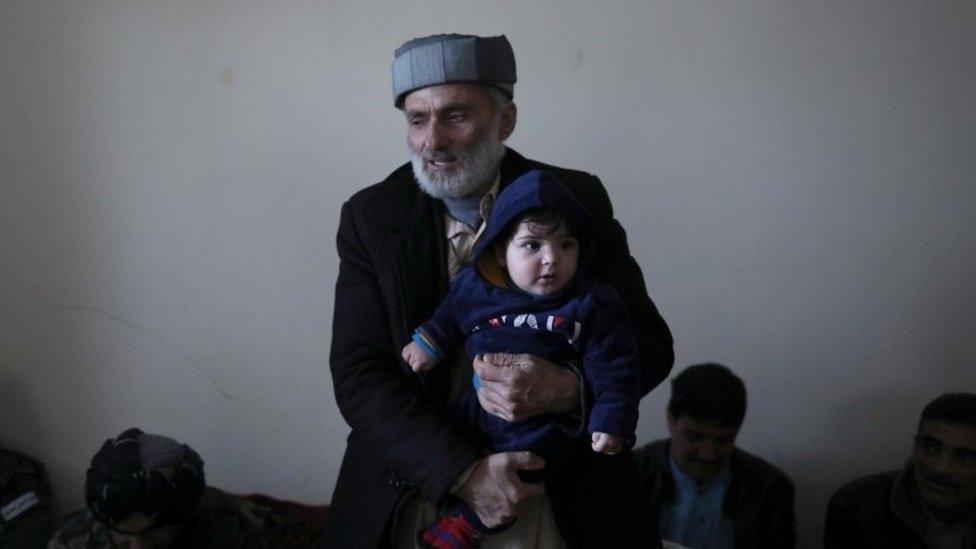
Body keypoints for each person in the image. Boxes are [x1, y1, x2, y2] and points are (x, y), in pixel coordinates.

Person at [326, 33, 674, 548]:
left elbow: (648, 343)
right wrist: (462, 472)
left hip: (557, 495)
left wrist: (573, 388)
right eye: (417, 120)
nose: (432, 140)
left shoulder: (577, 199)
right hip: (418, 483)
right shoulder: (372, 216)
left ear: (505, 120)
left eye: (455, 116)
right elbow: (359, 374)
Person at [401, 170, 642, 546]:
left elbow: (616, 367)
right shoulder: (478, 288)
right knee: (443, 436)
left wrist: (611, 421)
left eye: (566, 245)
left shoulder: (593, 303)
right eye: (533, 246)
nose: (552, 260)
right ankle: (449, 497)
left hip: (538, 426)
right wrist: (428, 344)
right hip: (475, 405)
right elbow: (448, 318)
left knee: (529, 471)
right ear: (500, 250)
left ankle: (467, 525)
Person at [48, 428, 323, 549]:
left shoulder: (249, 532)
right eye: (122, 538)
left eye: (153, 535)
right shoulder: (75, 540)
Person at [634, 363, 795, 549]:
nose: (707, 454)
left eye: (722, 440)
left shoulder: (770, 491)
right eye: (695, 437)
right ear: (671, 420)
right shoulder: (626, 475)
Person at [824, 393, 976, 548]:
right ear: (916, 445)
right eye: (930, 448)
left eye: (965, 457)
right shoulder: (856, 506)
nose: (941, 468)